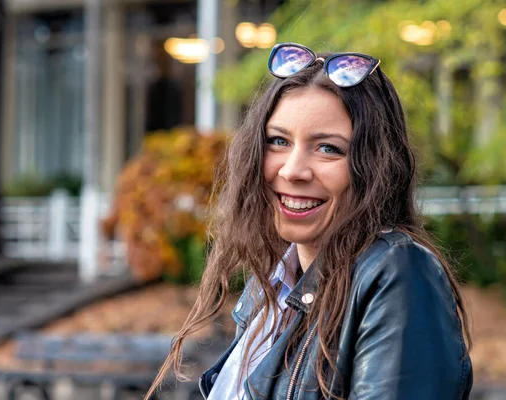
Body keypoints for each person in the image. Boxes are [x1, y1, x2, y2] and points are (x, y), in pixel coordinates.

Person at [146, 42, 473, 400]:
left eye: (328, 148)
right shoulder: (270, 288)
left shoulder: (397, 273)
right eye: (278, 141)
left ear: (376, 166)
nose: (292, 170)